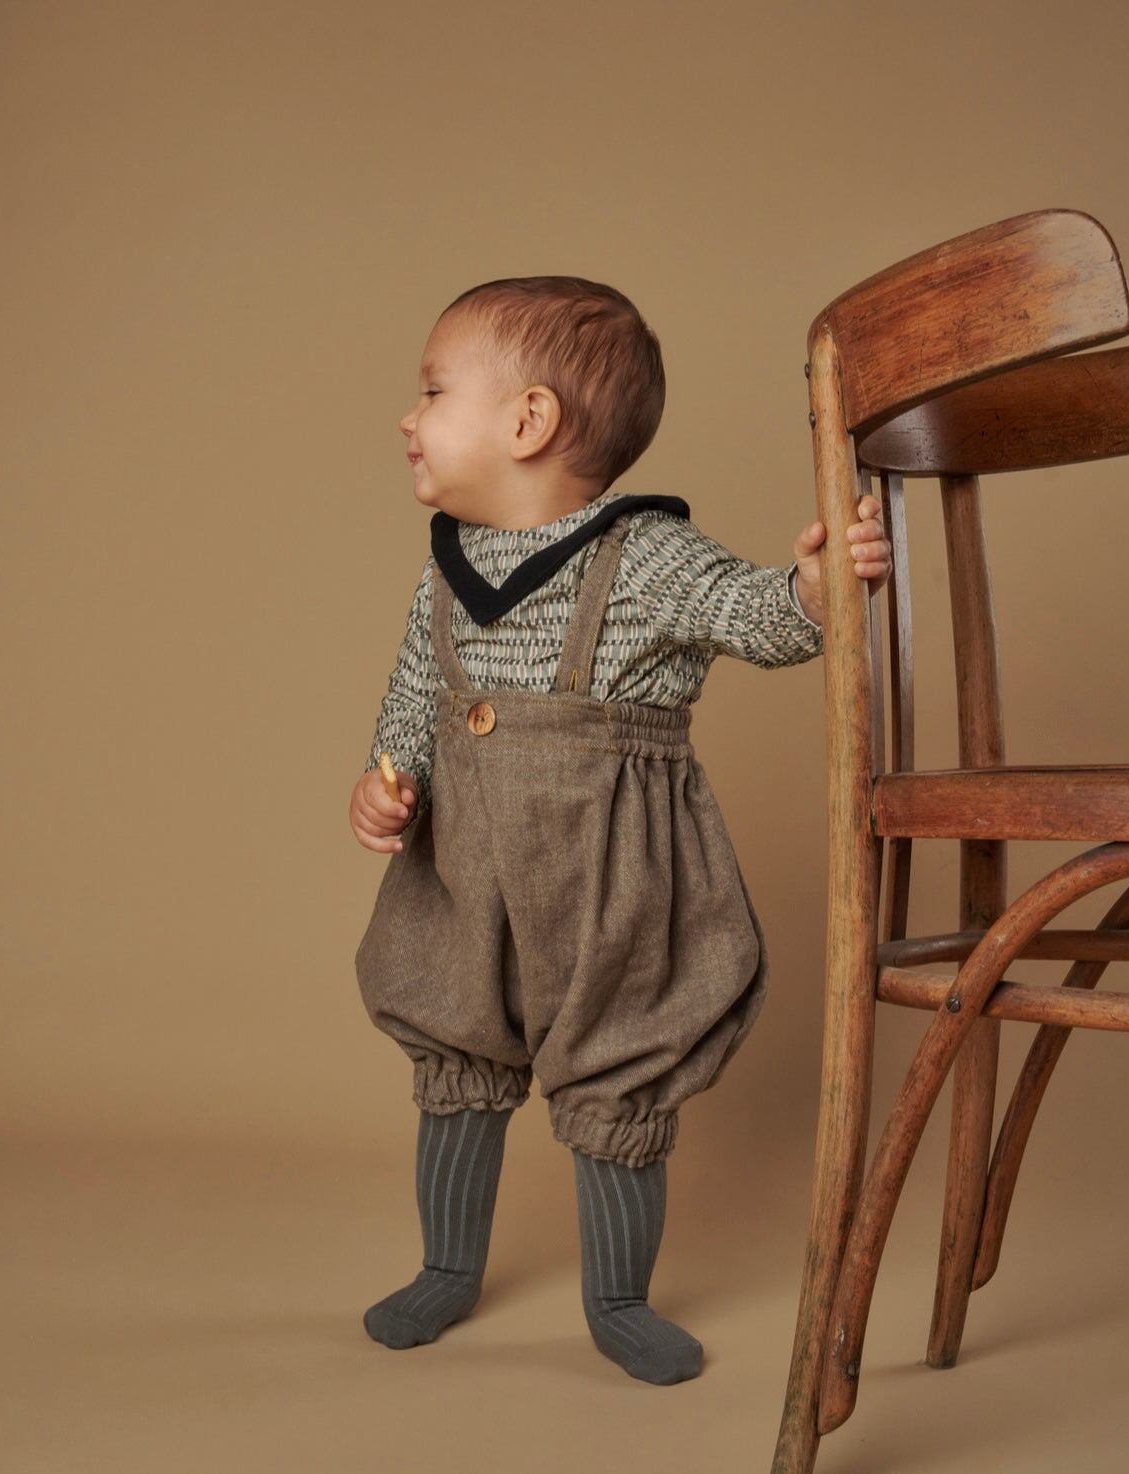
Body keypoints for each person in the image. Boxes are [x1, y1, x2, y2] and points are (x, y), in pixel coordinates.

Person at [350, 277, 890, 1385]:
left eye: (433, 391)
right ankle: (447, 1267)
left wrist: (811, 591)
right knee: (456, 1043)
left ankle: (617, 1299)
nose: (409, 416)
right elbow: (414, 693)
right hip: (466, 875)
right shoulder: (444, 571)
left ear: (528, 421)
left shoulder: (643, 556)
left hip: (609, 879)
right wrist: (387, 777)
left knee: (619, 1063)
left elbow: (752, 616)